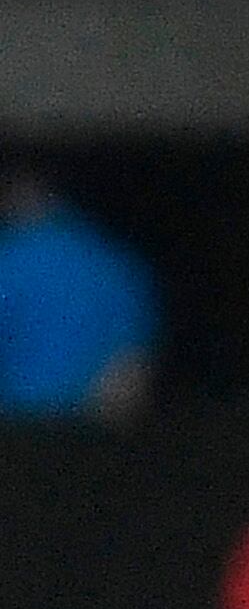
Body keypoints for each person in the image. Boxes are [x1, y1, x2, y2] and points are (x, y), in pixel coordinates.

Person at [0, 161, 157, 419]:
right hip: (89, 421)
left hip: (19, 421)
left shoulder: (9, 258)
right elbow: (134, 356)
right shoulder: (108, 257)